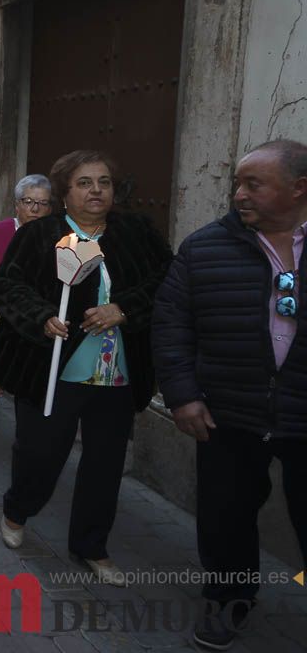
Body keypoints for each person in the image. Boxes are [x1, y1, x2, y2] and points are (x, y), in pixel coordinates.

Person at [151, 139, 307, 651]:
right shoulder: (205, 247)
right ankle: (229, 600)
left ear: (298, 189)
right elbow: (171, 324)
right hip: (227, 411)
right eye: (236, 183)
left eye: (253, 184)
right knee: (226, 515)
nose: (239, 194)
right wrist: (182, 395)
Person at [0, 150, 172, 586]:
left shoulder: (136, 232)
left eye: (104, 182)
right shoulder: (39, 236)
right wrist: (42, 317)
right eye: (85, 183)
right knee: (41, 453)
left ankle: (92, 545)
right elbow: (8, 284)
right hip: (52, 369)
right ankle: (18, 509)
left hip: (116, 372)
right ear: (64, 194)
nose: (96, 191)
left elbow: (166, 277)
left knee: (105, 463)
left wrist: (123, 309)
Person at [0, 174, 53, 452]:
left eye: (43, 203)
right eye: (29, 202)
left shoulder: (59, 238)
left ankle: (30, 441)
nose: (36, 209)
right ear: (17, 205)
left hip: (38, 323)